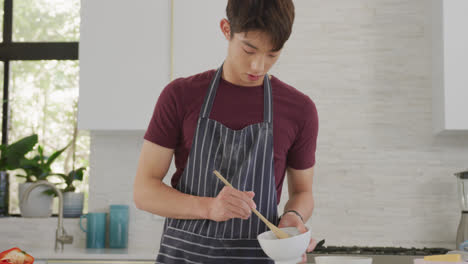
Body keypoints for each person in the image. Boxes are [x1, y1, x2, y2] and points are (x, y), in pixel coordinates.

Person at [133, 0, 319, 263]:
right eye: (249, 50)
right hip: (184, 257)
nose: (258, 66)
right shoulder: (180, 96)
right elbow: (144, 192)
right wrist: (210, 207)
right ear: (226, 29)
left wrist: (293, 218)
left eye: (272, 54)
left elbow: (302, 192)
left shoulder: (300, 109)